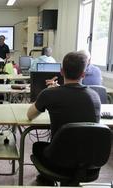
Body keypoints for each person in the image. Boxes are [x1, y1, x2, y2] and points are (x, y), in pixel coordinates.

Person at [27, 51, 101, 185]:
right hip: (90, 164)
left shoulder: (49, 94)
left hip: (59, 163)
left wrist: (49, 93)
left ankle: (46, 181)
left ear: (61, 71)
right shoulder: (95, 96)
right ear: (83, 74)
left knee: (38, 146)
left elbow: (30, 115)